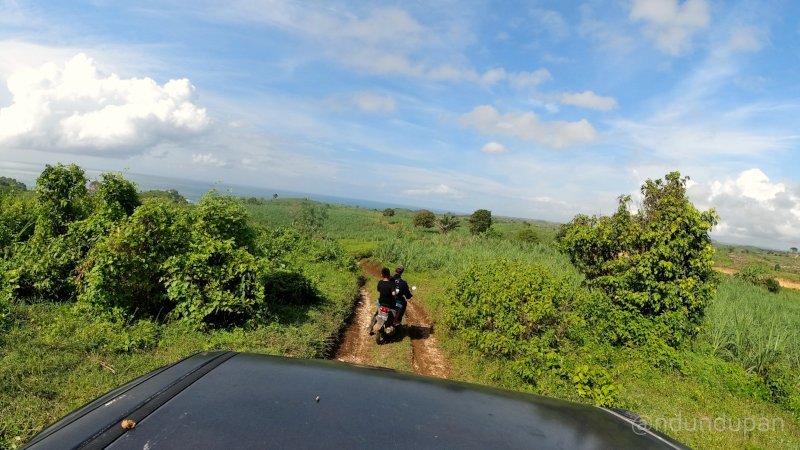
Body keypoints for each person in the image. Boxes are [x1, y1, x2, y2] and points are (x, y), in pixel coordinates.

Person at [368, 267, 397, 335]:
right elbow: (393, 294)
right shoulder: (391, 284)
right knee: (394, 314)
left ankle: (370, 327)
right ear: (389, 275)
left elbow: (378, 290)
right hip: (390, 305)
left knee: (376, 314)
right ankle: (391, 326)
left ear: (381, 275)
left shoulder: (380, 282)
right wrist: (395, 294)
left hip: (381, 303)